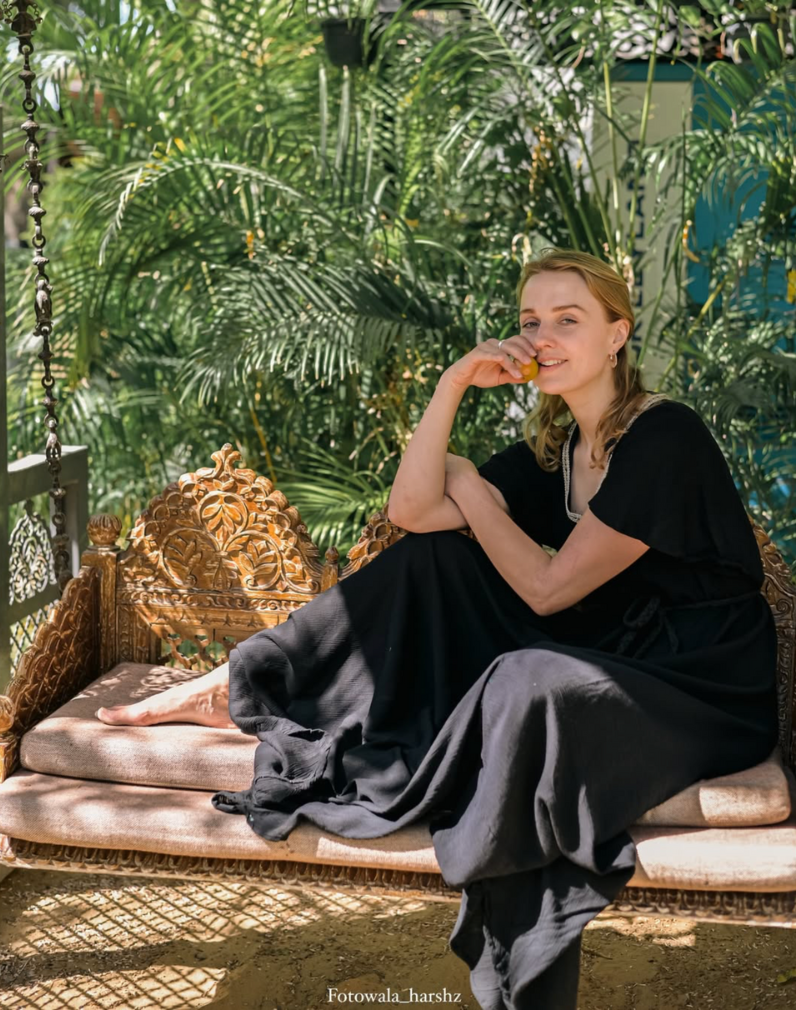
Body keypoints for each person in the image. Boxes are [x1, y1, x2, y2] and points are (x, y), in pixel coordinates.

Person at [96, 249, 779, 1009]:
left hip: (697, 681)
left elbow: (548, 590)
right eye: (530, 321)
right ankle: (245, 682)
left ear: (617, 334)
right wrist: (452, 384)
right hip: (609, 648)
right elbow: (413, 512)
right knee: (433, 559)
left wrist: (474, 490)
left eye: (568, 319)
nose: (543, 337)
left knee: (525, 679)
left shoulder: (664, 437)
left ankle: (518, 971)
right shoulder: (558, 450)